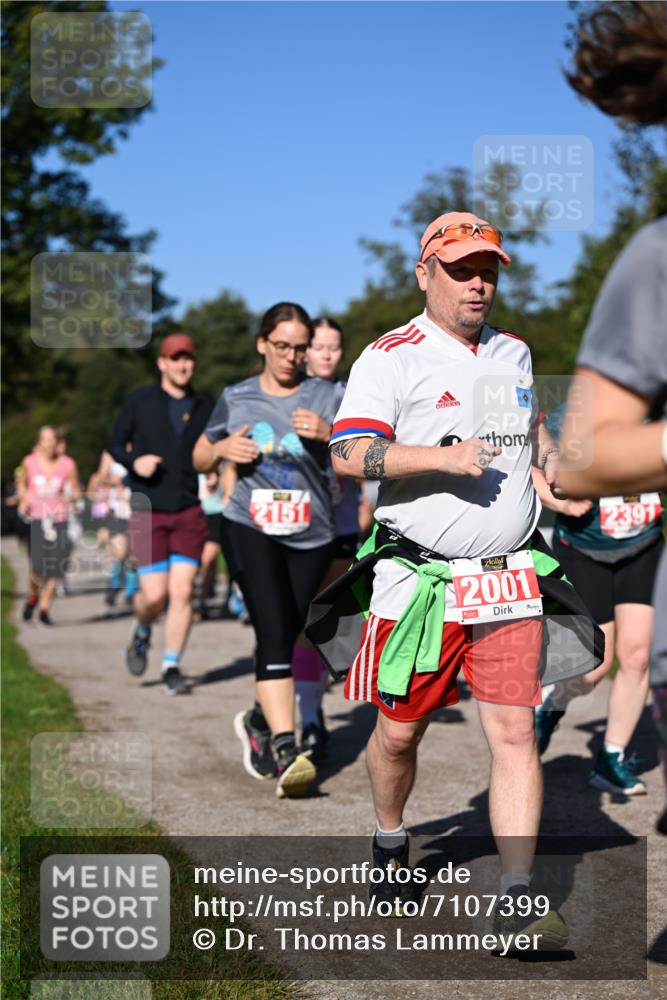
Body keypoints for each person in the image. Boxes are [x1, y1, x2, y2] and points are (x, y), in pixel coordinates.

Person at [324, 211, 603, 944]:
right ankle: (389, 835)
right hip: (420, 584)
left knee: (513, 732)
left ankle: (517, 894)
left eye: (487, 270)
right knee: (396, 736)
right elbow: (349, 456)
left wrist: (549, 482)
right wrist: (438, 459)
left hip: (507, 578)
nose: (477, 283)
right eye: (460, 270)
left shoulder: (513, 352)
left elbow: (528, 439)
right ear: (424, 274)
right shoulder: (391, 356)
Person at [556, 1, 667, 833]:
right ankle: (541, 711)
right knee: (593, 662)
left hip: (649, 538)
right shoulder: (657, 261)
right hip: (600, 541)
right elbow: (583, 454)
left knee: (630, 654)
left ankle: (613, 754)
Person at [193, 302, 340, 798]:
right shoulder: (237, 397)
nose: (292, 357)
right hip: (249, 525)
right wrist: (220, 450)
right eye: (282, 347)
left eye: (300, 348)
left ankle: (260, 717)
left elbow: (364, 455)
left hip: (312, 532)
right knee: (273, 628)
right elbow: (197, 451)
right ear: (262, 344)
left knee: (292, 627)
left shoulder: (330, 395)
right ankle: (285, 746)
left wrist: (331, 435)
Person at [536, 407, 663, 795]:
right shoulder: (581, 409)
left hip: (644, 545)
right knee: (593, 669)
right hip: (584, 549)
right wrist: (557, 502)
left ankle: (612, 758)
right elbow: (527, 454)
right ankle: (552, 705)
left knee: (638, 656)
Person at [107, 333, 213, 694]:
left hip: (188, 509)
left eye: (188, 358)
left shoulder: (204, 405)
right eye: (175, 358)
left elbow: (215, 447)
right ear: (162, 363)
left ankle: (171, 666)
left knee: (182, 592)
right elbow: (114, 443)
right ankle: (141, 630)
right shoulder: (140, 400)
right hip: (148, 509)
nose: (183, 365)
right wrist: (134, 460)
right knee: (154, 596)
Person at [292, 317, 360, 760]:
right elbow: (264, 438)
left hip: (341, 523)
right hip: (294, 525)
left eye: (335, 347)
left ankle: (310, 703)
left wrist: (329, 433)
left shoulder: (354, 394)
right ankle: (310, 719)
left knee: (327, 621)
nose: (327, 354)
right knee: (298, 623)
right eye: (319, 346)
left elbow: (377, 445)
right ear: (305, 350)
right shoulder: (287, 393)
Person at [18, 425, 81, 625]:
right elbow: (21, 482)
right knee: (37, 566)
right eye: (45, 439)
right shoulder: (29, 462)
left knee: (54, 568)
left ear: (57, 442)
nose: (49, 443)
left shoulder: (68, 464)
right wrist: (24, 498)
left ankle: (44, 609)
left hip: (59, 519)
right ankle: (33, 596)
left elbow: (76, 489)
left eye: (52, 439)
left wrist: (73, 497)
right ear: (40, 442)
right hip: (37, 518)